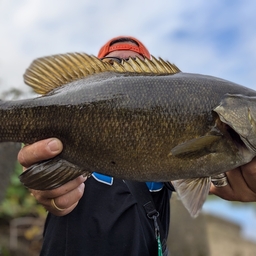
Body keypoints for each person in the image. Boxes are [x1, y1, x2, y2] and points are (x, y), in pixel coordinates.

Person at [17, 36, 256, 256]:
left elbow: (206, 180)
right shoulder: (57, 132)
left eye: (135, 65)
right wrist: (45, 181)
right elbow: (40, 170)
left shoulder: (171, 168)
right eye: (112, 66)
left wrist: (226, 181)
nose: (124, 71)